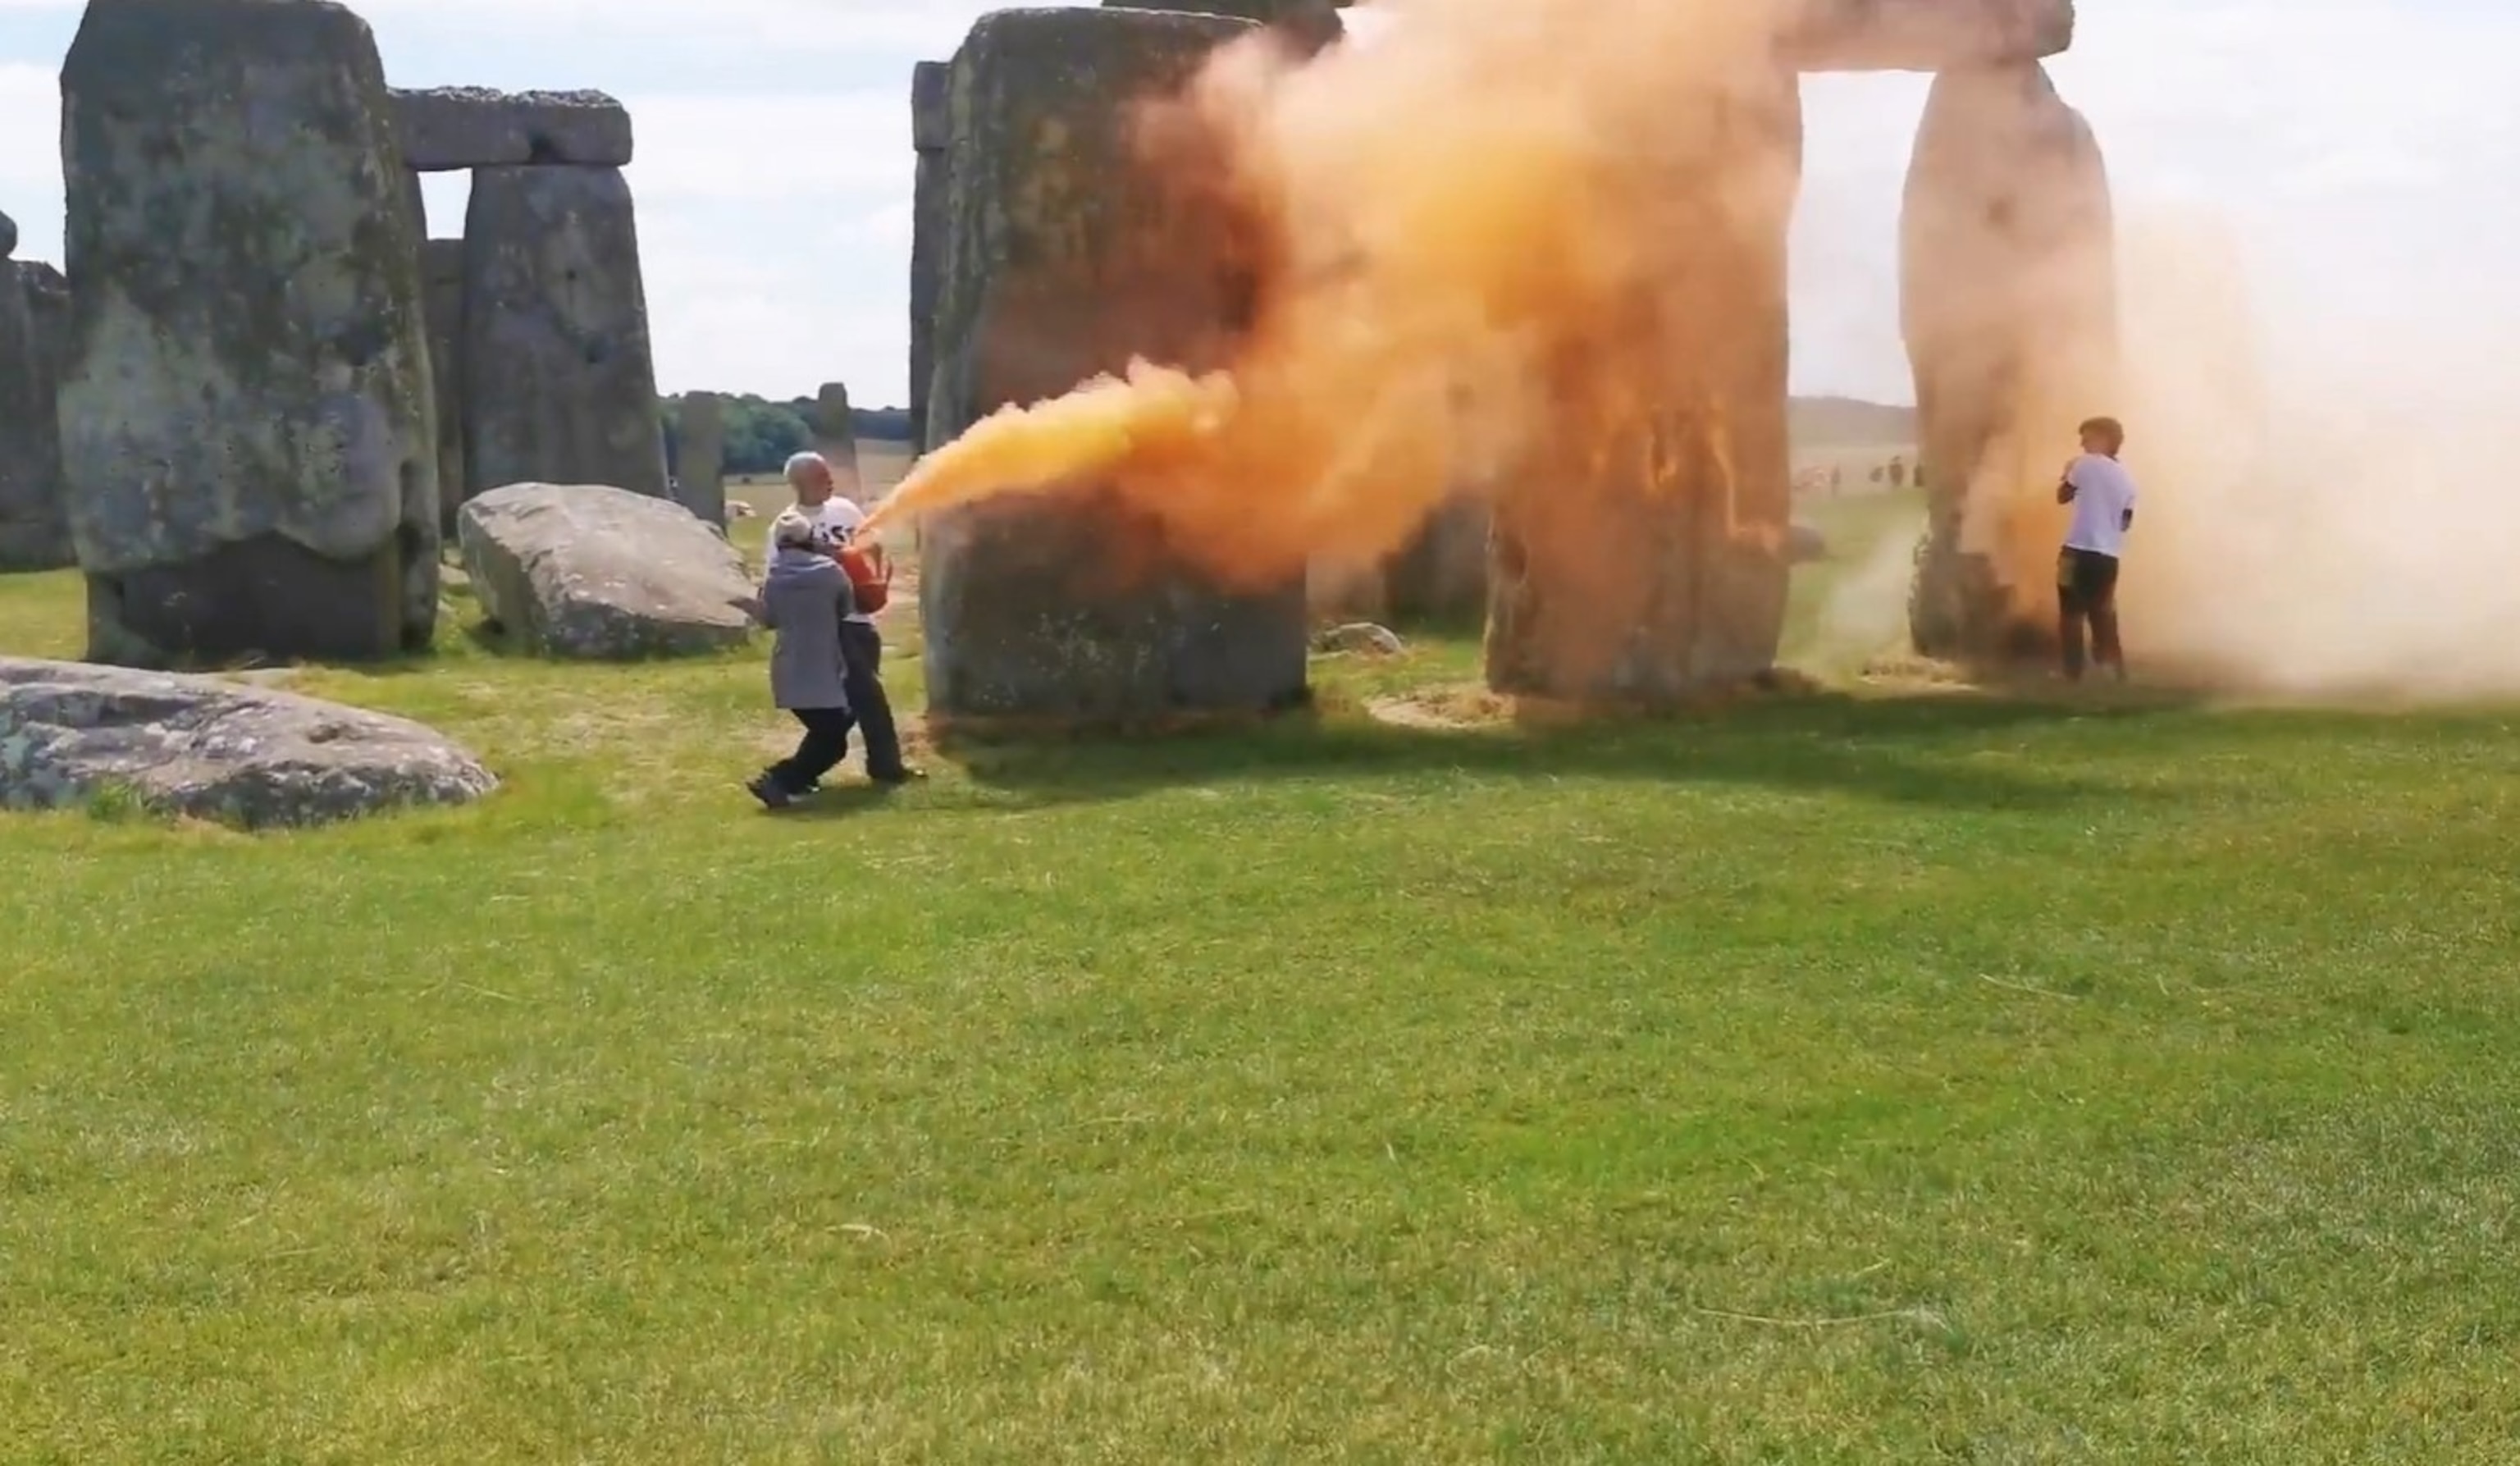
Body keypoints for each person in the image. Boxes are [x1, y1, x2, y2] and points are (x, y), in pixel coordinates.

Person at [771, 450, 920, 784]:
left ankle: (799, 773)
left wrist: (867, 568)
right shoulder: (786, 525)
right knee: (867, 698)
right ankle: (884, 767)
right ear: (802, 483)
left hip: (861, 620)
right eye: (822, 476)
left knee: (854, 704)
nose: (830, 481)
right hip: (831, 627)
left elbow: (871, 546)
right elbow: (781, 577)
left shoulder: (845, 510)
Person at [745, 510, 855, 811]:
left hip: (789, 669)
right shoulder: (831, 572)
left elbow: (769, 620)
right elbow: (846, 608)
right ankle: (778, 779)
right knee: (834, 739)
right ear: (810, 539)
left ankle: (798, 778)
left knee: (831, 728)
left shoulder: (774, 578)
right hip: (825, 666)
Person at [2055, 415, 2139, 682]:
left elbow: (2062, 496)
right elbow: (2125, 523)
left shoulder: (2082, 465)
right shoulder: (2129, 480)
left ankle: (2072, 674)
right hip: (2108, 558)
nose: (2082, 443)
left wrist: (2067, 474)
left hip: (2076, 552)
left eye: (2088, 437)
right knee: (2103, 613)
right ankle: (2115, 671)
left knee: (2070, 614)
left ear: (2105, 439)